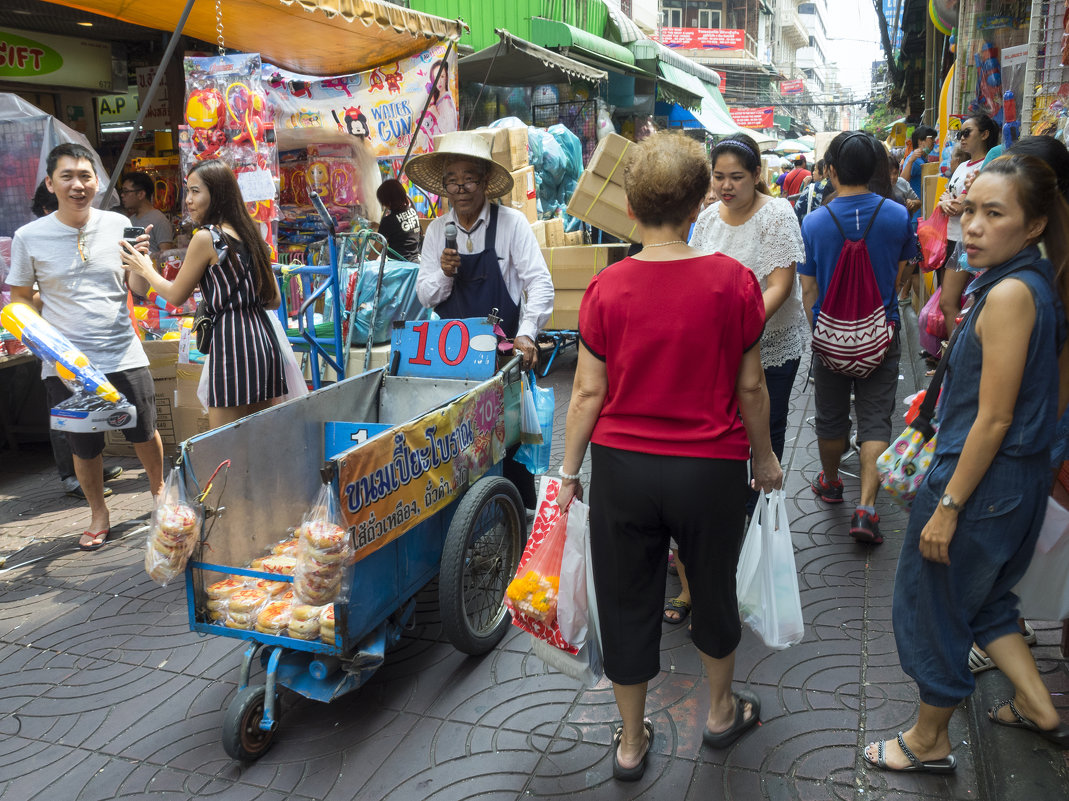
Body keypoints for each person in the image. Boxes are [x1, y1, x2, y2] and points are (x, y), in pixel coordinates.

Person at [555, 131, 782, 781]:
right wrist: (763, 460)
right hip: (708, 468)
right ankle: (717, 711)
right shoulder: (732, 283)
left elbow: (586, 392)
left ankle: (629, 741)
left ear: (629, 209)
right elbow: (750, 386)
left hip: (621, 468)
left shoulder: (606, 288)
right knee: (712, 590)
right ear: (697, 205)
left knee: (626, 599)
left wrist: (567, 474)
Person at [864, 153, 1069, 773]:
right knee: (986, 604)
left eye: (994, 214)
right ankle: (1040, 706)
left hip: (980, 483)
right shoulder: (1022, 280)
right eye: (970, 210)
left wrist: (949, 505)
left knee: (936, 607)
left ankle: (928, 739)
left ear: (1033, 226)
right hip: (1012, 479)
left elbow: (996, 418)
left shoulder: (1010, 293)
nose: (972, 227)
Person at [8, 143, 164, 551]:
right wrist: (40, 330)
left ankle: (160, 494)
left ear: (96, 182)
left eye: (85, 176)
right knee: (84, 443)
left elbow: (139, 290)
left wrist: (142, 266)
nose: (78, 185)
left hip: (122, 350)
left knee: (143, 431)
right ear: (50, 183)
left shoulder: (118, 224)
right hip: (67, 364)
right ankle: (99, 513)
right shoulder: (29, 237)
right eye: (68, 177)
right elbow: (19, 297)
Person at [407, 130, 554, 509]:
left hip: (502, 361)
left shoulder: (512, 224)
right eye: (452, 180)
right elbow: (425, 294)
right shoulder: (438, 232)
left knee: (511, 456)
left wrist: (526, 336)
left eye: (469, 178)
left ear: (485, 181)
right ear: (443, 186)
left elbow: (539, 284)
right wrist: (444, 273)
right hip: (452, 364)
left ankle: (520, 531)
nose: (461, 188)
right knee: (456, 455)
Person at [799, 132, 916, 545]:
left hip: (829, 336)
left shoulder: (813, 222)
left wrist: (820, 331)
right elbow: (902, 274)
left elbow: (808, 291)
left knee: (831, 417)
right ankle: (867, 509)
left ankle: (831, 483)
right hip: (880, 333)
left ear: (830, 171)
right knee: (875, 419)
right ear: (876, 171)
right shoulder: (899, 215)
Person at [120, 159, 287, 428]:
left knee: (223, 443)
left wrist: (145, 268)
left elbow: (175, 296)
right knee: (261, 439)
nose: (188, 200)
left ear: (217, 193)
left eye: (196, 191)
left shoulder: (207, 238)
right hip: (263, 341)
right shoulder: (253, 233)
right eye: (188, 191)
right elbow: (274, 300)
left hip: (231, 344)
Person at [692, 133, 807, 494]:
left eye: (737, 177)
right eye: (719, 176)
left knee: (766, 433)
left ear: (756, 174)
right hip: (722, 346)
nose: (726, 186)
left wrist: (744, 329)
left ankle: (760, 517)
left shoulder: (777, 214)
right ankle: (730, 514)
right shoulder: (709, 219)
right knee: (726, 433)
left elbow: (780, 286)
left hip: (770, 344)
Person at [27, 179, 124, 500]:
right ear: (46, 208)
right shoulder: (34, 240)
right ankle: (70, 474)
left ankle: (91, 462)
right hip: (53, 338)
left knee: (88, 400)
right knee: (63, 406)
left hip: (85, 336)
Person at [938, 114, 1000, 337]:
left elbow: (959, 205)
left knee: (954, 303)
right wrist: (948, 202)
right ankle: (949, 355)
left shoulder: (990, 164)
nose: (961, 138)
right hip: (951, 237)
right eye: (959, 134)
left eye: (967, 133)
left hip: (969, 242)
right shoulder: (963, 165)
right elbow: (948, 196)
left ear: (984, 135)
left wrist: (951, 203)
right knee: (951, 303)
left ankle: (953, 358)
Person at [120, 171, 174, 256]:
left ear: (141, 194)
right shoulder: (130, 220)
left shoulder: (159, 220)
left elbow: (166, 255)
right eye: (122, 191)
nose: (122, 195)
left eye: (126, 191)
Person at [375, 178, 421, 261]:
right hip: (414, 263)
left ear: (388, 201)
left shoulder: (388, 221)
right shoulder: (412, 211)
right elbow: (399, 229)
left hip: (398, 268)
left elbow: (375, 252)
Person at [794, 159, 828, 223]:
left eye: (815, 170)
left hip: (812, 226)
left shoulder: (812, 188)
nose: (813, 173)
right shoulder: (836, 187)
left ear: (822, 174)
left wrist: (805, 187)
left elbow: (798, 210)